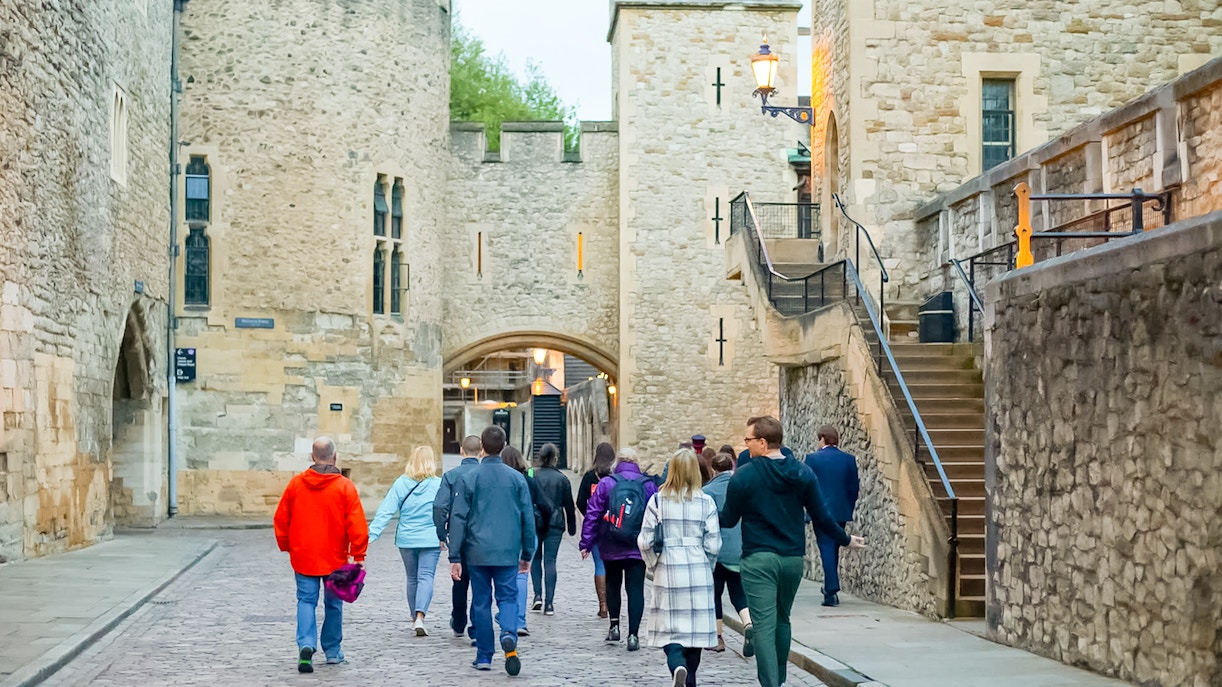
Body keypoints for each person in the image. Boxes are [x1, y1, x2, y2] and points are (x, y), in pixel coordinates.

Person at [720, 416, 866, 687]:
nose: (746, 444)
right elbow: (821, 515)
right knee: (782, 618)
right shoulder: (802, 472)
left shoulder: (745, 475)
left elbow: (728, 519)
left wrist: (701, 515)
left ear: (762, 442)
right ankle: (780, 678)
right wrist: (845, 539)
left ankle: (771, 683)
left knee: (763, 624)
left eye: (749, 440)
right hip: (792, 559)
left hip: (758, 558)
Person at [273, 437, 368, 673]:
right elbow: (357, 523)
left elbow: (281, 519)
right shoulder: (345, 486)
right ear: (334, 457)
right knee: (334, 604)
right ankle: (333, 651)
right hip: (335, 557)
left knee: (306, 601)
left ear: (312, 456)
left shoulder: (296, 484)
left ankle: (306, 644)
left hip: (304, 555)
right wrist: (358, 554)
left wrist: (287, 545)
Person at [448, 426, 536, 675]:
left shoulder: (469, 478)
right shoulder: (517, 478)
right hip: (507, 550)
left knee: (481, 602)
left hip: (477, 551)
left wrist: (455, 555)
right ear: (504, 445)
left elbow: (458, 518)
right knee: (507, 597)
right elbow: (527, 518)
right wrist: (527, 553)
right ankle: (508, 634)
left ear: (482, 448)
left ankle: (484, 655)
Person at [639, 449, 721, 687]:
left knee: (670, 628)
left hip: (668, 568)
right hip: (698, 568)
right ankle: (690, 678)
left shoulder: (658, 501)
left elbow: (645, 541)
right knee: (694, 631)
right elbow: (714, 543)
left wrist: (653, 564)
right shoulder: (706, 501)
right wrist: (707, 566)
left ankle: (677, 665)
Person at [580, 446, 658, 651]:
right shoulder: (648, 485)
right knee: (636, 589)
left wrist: (586, 542)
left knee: (613, 585)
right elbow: (657, 515)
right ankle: (633, 635)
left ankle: (614, 626)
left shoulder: (607, 483)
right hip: (637, 545)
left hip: (611, 542)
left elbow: (592, 513)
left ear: (618, 462)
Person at [368, 445, 443, 636]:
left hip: (407, 538)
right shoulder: (439, 484)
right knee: (426, 577)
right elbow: (445, 512)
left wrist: (372, 534)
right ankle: (420, 617)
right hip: (430, 538)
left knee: (412, 578)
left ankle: (413, 617)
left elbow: (386, 509)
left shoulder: (401, 483)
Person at [433, 434, 483, 638]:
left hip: (458, 533)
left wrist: (442, 533)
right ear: (481, 451)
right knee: (480, 582)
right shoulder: (484, 475)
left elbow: (439, 506)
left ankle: (459, 620)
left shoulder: (451, 476)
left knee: (459, 581)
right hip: (481, 535)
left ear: (462, 450)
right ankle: (476, 621)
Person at [803, 426, 860, 607]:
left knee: (826, 547)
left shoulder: (812, 459)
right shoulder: (848, 459)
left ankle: (831, 590)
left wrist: (807, 510)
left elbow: (806, 486)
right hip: (840, 511)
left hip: (820, 511)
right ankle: (830, 586)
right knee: (834, 547)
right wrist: (848, 507)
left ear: (822, 439)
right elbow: (854, 488)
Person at [502, 446, 553, 638]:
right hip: (526, 532)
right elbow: (545, 506)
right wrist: (543, 528)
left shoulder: (501, 481)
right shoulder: (528, 480)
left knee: (503, 577)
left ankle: (506, 618)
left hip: (504, 533)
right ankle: (520, 621)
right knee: (521, 576)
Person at [702, 452, 749, 654]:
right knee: (738, 592)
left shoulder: (707, 492)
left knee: (715, 594)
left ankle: (718, 637)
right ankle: (748, 624)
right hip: (739, 549)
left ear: (713, 470)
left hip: (717, 551)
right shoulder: (743, 487)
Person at [530, 443, 577, 615]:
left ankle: (537, 596)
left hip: (535, 521)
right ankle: (549, 603)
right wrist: (572, 527)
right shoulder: (562, 478)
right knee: (550, 561)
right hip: (555, 523)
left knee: (535, 559)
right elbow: (569, 505)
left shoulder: (531, 473)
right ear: (555, 458)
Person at [577, 442, 617, 618]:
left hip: (596, 526)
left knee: (600, 565)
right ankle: (613, 601)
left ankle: (603, 605)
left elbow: (580, 501)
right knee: (613, 567)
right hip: (615, 525)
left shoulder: (589, 476)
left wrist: (589, 516)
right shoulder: (617, 477)